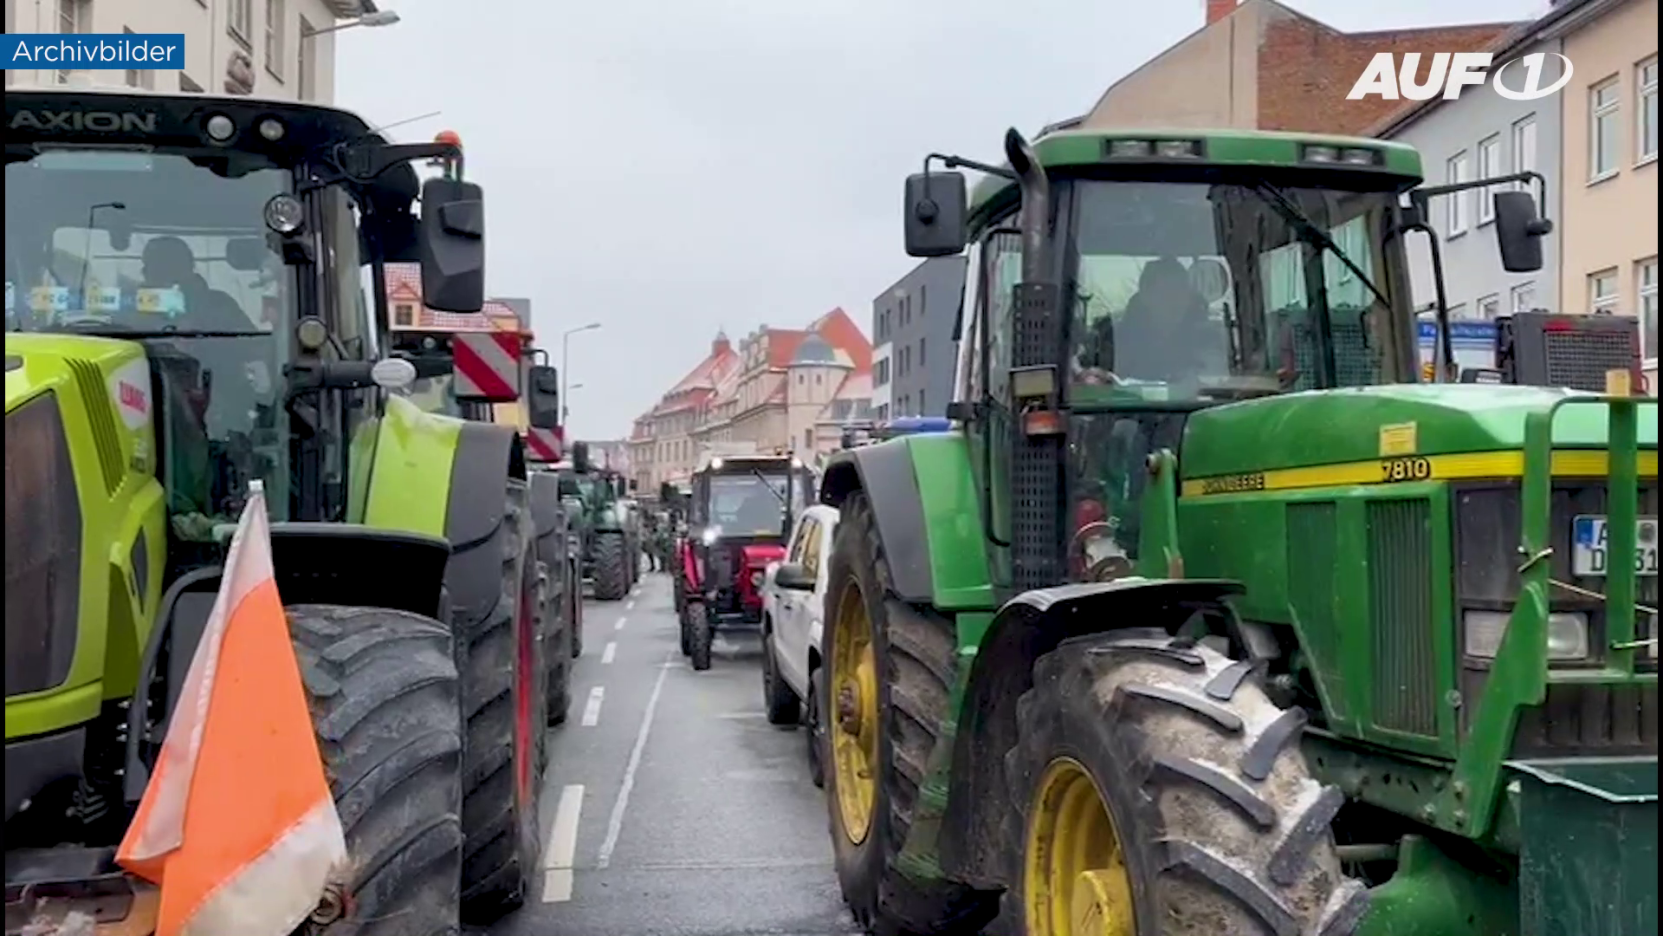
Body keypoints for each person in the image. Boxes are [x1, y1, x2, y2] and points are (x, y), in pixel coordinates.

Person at [139, 236, 251, 332]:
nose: (145, 272)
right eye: (149, 267)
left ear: (187, 267)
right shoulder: (132, 306)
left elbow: (252, 346)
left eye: (159, 267)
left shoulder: (219, 305)